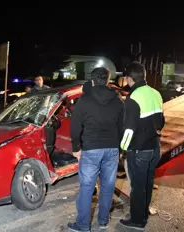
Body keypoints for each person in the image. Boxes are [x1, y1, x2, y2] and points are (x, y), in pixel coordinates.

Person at [68, 67, 124, 232]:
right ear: (108, 80)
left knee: (87, 187)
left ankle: (83, 225)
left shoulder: (84, 100)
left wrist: (76, 148)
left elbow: (75, 126)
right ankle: (103, 221)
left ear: (92, 81)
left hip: (91, 148)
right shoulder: (117, 101)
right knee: (108, 186)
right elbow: (122, 126)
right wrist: (119, 147)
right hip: (112, 148)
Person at [119, 62, 165, 230]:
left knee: (138, 187)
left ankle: (138, 221)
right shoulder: (156, 93)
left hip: (139, 150)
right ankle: (143, 213)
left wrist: (123, 149)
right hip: (155, 148)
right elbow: (161, 122)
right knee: (147, 183)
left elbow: (129, 129)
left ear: (129, 79)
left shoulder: (133, 97)